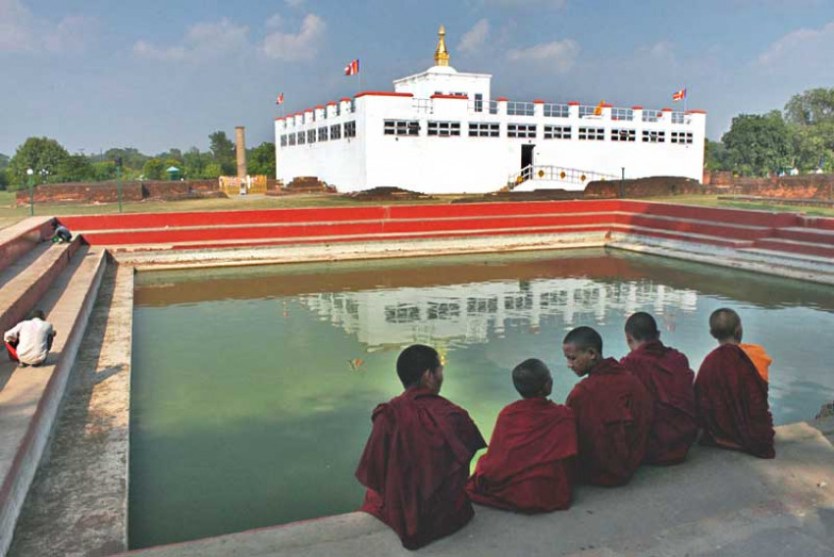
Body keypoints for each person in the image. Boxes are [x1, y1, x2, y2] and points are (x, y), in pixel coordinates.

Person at [355, 344, 486, 550]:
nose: (442, 374)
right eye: (439, 369)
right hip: (446, 516)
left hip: (400, 513)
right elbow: (463, 464)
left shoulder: (388, 414)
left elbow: (373, 471)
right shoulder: (452, 415)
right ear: (428, 376)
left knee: (374, 497)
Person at [466, 358, 577, 513]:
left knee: (484, 462)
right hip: (547, 490)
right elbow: (569, 453)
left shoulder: (508, 413)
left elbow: (499, 456)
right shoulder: (562, 415)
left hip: (511, 489)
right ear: (547, 385)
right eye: (549, 376)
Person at [562, 326, 653, 486]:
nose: (569, 364)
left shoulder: (582, 392)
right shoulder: (629, 378)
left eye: (572, 358)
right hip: (632, 461)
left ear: (591, 354)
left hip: (599, 470)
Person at [694, 308, 775, 459]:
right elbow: (759, 399)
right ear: (739, 329)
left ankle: (724, 437)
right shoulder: (756, 355)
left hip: (718, 434)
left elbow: (700, 399)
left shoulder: (709, 362)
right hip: (753, 432)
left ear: (712, 334)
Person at [620, 312, 698, 465]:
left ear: (628, 338)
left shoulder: (628, 365)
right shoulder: (678, 358)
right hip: (684, 441)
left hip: (651, 448)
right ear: (658, 334)